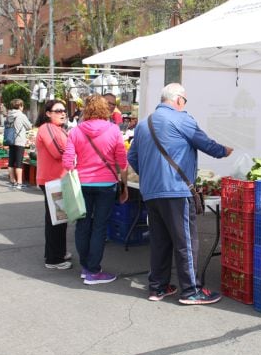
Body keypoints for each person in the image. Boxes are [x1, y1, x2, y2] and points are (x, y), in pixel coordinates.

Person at [127, 83, 233, 304]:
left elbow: (132, 158)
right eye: (184, 100)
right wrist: (224, 151)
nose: (184, 104)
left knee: (159, 241)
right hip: (175, 190)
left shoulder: (144, 124)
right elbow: (206, 144)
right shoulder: (181, 118)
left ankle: (158, 287)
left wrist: (149, 176)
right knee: (186, 241)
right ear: (178, 100)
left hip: (151, 192)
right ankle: (191, 290)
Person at [62, 94, 128, 285]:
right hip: (107, 185)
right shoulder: (114, 130)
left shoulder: (75, 131)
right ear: (104, 109)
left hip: (82, 184)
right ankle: (93, 270)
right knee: (99, 227)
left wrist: (76, 170)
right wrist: (124, 186)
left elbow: (67, 161)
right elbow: (121, 162)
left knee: (82, 225)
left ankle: (86, 267)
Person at [35, 99, 72, 270]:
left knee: (59, 219)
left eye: (64, 110)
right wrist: (75, 152)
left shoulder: (56, 128)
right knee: (56, 220)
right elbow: (58, 152)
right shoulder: (47, 128)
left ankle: (58, 252)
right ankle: (54, 258)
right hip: (53, 180)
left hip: (57, 179)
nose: (63, 113)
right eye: (58, 111)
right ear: (48, 113)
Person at [6, 98, 32, 189]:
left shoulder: (9, 115)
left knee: (11, 162)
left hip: (10, 140)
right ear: (20, 106)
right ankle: (19, 183)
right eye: (22, 105)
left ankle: (13, 181)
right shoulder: (21, 116)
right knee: (18, 162)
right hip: (19, 140)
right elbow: (29, 126)